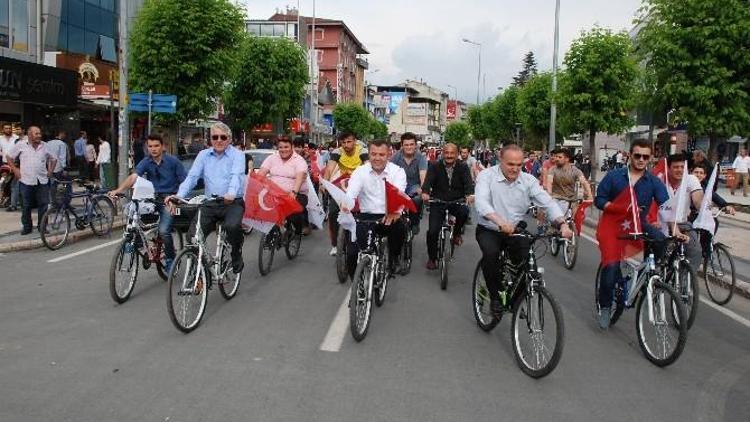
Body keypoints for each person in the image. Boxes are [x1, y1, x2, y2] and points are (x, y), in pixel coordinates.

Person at [474, 144, 572, 315]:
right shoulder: (486, 176)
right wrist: (499, 222)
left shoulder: (528, 181)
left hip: (516, 229)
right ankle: (495, 296)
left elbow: (547, 203)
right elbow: (481, 203)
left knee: (526, 261)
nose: (515, 169)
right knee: (491, 256)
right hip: (490, 228)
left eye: (519, 165)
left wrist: (562, 223)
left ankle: (517, 300)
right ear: (500, 160)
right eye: (510, 164)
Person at [594, 139, 674, 329]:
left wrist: (675, 228)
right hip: (612, 226)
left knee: (662, 240)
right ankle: (605, 306)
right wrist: (615, 207)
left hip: (639, 225)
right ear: (630, 155)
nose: (641, 160)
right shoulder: (614, 176)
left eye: (645, 157)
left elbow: (666, 207)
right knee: (611, 267)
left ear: (650, 158)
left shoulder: (653, 181)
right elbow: (599, 200)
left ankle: (649, 274)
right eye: (637, 155)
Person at [166, 122, 246, 274]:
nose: (219, 140)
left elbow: (237, 176)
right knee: (192, 236)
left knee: (232, 227)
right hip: (211, 203)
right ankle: (203, 271)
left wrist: (231, 193)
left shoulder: (238, 155)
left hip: (232, 202)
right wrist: (179, 196)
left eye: (223, 137)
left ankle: (236, 254)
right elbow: (192, 177)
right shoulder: (203, 155)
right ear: (210, 139)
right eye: (215, 137)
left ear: (229, 139)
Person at [109, 134, 187, 269]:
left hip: (169, 199)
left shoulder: (173, 161)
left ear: (163, 147)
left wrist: (177, 198)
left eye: (156, 146)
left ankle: (170, 259)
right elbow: (133, 177)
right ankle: (135, 241)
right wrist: (118, 190)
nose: (153, 149)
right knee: (130, 209)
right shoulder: (146, 161)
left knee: (164, 231)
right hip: (151, 198)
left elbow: (185, 183)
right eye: (150, 146)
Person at [341, 139, 407, 277]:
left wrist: (395, 213)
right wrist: (347, 203)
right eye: (373, 154)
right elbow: (352, 191)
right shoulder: (360, 172)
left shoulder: (398, 172)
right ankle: (357, 286)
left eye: (381, 154)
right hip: (365, 216)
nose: (377, 158)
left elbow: (399, 194)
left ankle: (394, 258)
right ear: (369, 154)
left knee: (400, 229)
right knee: (352, 253)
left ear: (389, 154)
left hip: (388, 215)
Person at [421, 143, 474, 270]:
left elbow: (468, 183)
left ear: (457, 154)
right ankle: (432, 258)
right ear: (442, 154)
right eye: (447, 153)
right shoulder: (434, 166)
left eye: (452, 153)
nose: (449, 155)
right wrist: (425, 192)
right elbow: (428, 181)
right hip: (438, 201)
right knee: (433, 231)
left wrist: (470, 194)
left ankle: (456, 234)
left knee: (464, 211)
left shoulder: (463, 167)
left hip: (457, 200)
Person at [322, 131, 368, 256]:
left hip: (359, 182)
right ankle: (335, 245)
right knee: (332, 212)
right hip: (343, 183)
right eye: (343, 142)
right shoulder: (337, 152)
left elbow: (368, 167)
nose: (346, 145)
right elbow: (330, 168)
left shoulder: (362, 151)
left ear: (355, 141)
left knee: (362, 213)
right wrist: (324, 183)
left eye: (349, 141)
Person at [5, 126, 57, 235]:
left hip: (42, 180)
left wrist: (50, 171)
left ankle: (42, 226)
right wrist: (15, 170)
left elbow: (54, 159)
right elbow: (9, 157)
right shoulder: (21, 145)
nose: (39, 135)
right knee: (26, 205)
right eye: (36, 133)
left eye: (39, 133)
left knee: (43, 205)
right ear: (29, 135)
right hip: (26, 180)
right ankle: (27, 227)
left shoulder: (45, 146)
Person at [661, 154, 705, 272]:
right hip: (662, 223)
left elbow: (697, 198)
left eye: (682, 167)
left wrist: (703, 208)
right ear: (668, 168)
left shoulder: (691, 179)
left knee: (695, 251)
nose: (679, 170)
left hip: (682, 222)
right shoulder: (661, 179)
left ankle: (686, 282)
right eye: (676, 167)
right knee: (656, 253)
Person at [256, 137, 309, 235]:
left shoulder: (299, 160)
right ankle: (270, 235)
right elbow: (261, 173)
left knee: (294, 214)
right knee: (266, 210)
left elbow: (300, 177)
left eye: (286, 147)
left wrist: (294, 192)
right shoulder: (272, 158)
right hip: (274, 193)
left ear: (292, 147)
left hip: (296, 194)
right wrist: (256, 185)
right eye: (280, 147)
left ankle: (296, 230)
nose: (283, 150)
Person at [390, 132, 428, 234]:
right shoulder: (395, 157)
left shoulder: (421, 158)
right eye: (406, 145)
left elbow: (423, 175)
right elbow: (389, 173)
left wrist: (423, 189)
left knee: (416, 199)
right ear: (402, 146)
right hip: (398, 186)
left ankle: (415, 222)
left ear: (415, 145)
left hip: (413, 186)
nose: (409, 147)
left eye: (411, 144)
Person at [545, 148, 593, 215]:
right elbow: (549, 182)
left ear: (567, 159)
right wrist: (549, 194)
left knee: (575, 219)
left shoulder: (575, 170)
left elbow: (584, 182)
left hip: (571, 199)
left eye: (560, 157)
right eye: (556, 157)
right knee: (555, 218)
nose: (556, 159)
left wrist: (589, 195)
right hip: (556, 198)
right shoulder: (552, 169)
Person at [46, 130, 70, 206]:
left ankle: (53, 203)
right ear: (60, 134)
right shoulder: (62, 144)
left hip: (50, 168)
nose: (65, 136)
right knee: (67, 185)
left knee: (52, 186)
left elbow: (46, 156)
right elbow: (62, 157)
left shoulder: (47, 143)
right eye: (64, 134)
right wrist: (65, 168)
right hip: (59, 168)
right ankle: (66, 203)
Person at [0, 124, 19, 211]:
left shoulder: (16, 138)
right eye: (6, 128)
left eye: (9, 128)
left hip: (15, 164)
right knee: (3, 183)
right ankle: (6, 200)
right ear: (3, 129)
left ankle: (13, 204)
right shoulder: (0, 138)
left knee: (14, 185)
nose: (8, 130)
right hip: (4, 164)